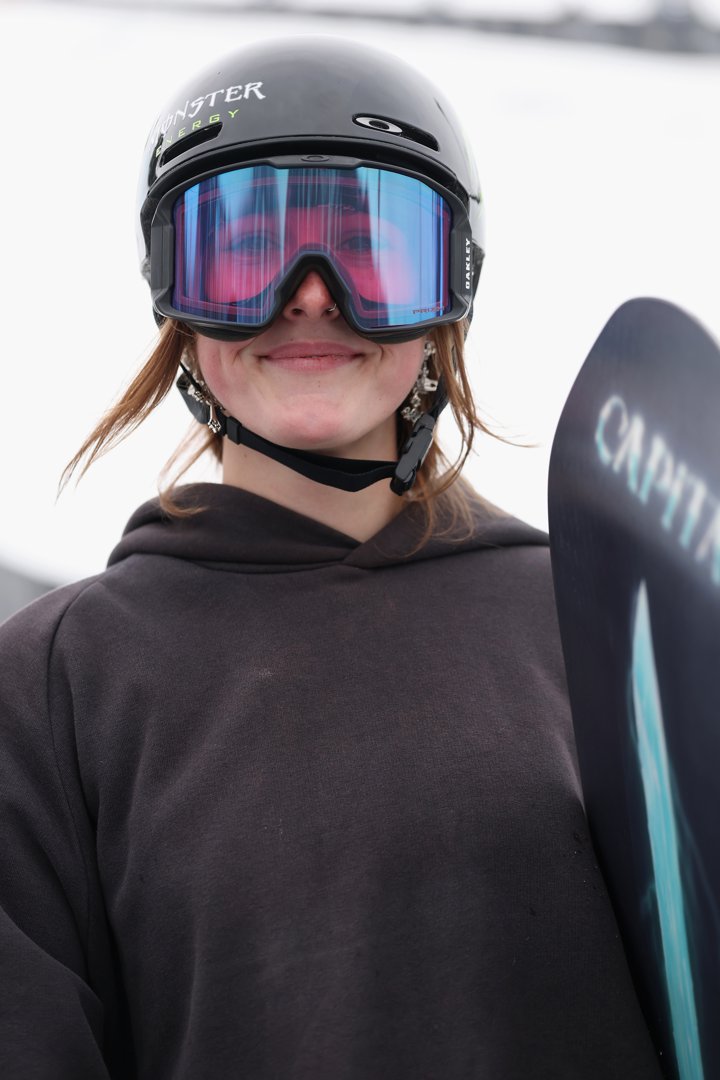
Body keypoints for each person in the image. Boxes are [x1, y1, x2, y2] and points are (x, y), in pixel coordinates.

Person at [0, 36, 663, 1079]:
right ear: (173, 297)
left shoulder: (595, 624)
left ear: (454, 285)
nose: (311, 295)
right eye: (244, 252)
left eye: (374, 251)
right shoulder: (51, 688)